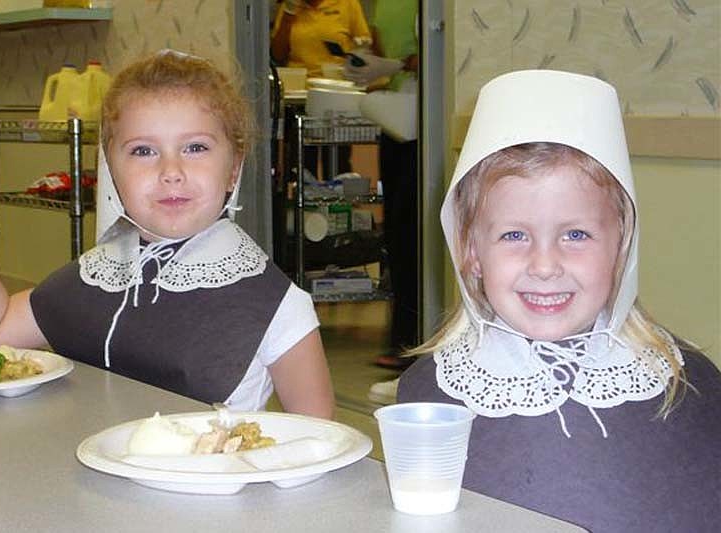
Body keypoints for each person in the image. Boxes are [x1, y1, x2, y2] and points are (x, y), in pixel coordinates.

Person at [398, 70, 721, 532]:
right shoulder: (432, 396)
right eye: (514, 234)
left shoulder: (686, 384)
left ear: (621, 246)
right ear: (471, 251)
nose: (545, 265)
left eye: (576, 234)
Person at [0, 50, 335, 419]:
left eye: (195, 148)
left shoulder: (276, 305)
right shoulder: (98, 271)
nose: (171, 170)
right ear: (110, 171)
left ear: (233, 168)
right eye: (143, 151)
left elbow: (320, 436)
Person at [343, 0, 419, 375]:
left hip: (424, 119)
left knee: (416, 235)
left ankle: (416, 342)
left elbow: (442, 52)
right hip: (396, 121)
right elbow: (378, 47)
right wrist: (365, 63)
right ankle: (402, 340)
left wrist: (400, 65)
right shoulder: (381, 5)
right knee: (399, 236)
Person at [271, 0, 372, 179]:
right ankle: (301, 198)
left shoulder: (347, 4)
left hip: (336, 93)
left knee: (338, 162)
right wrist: (288, 15)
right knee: (300, 161)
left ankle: (338, 199)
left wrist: (354, 53)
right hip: (301, 94)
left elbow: (365, 44)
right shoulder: (291, 6)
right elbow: (278, 54)